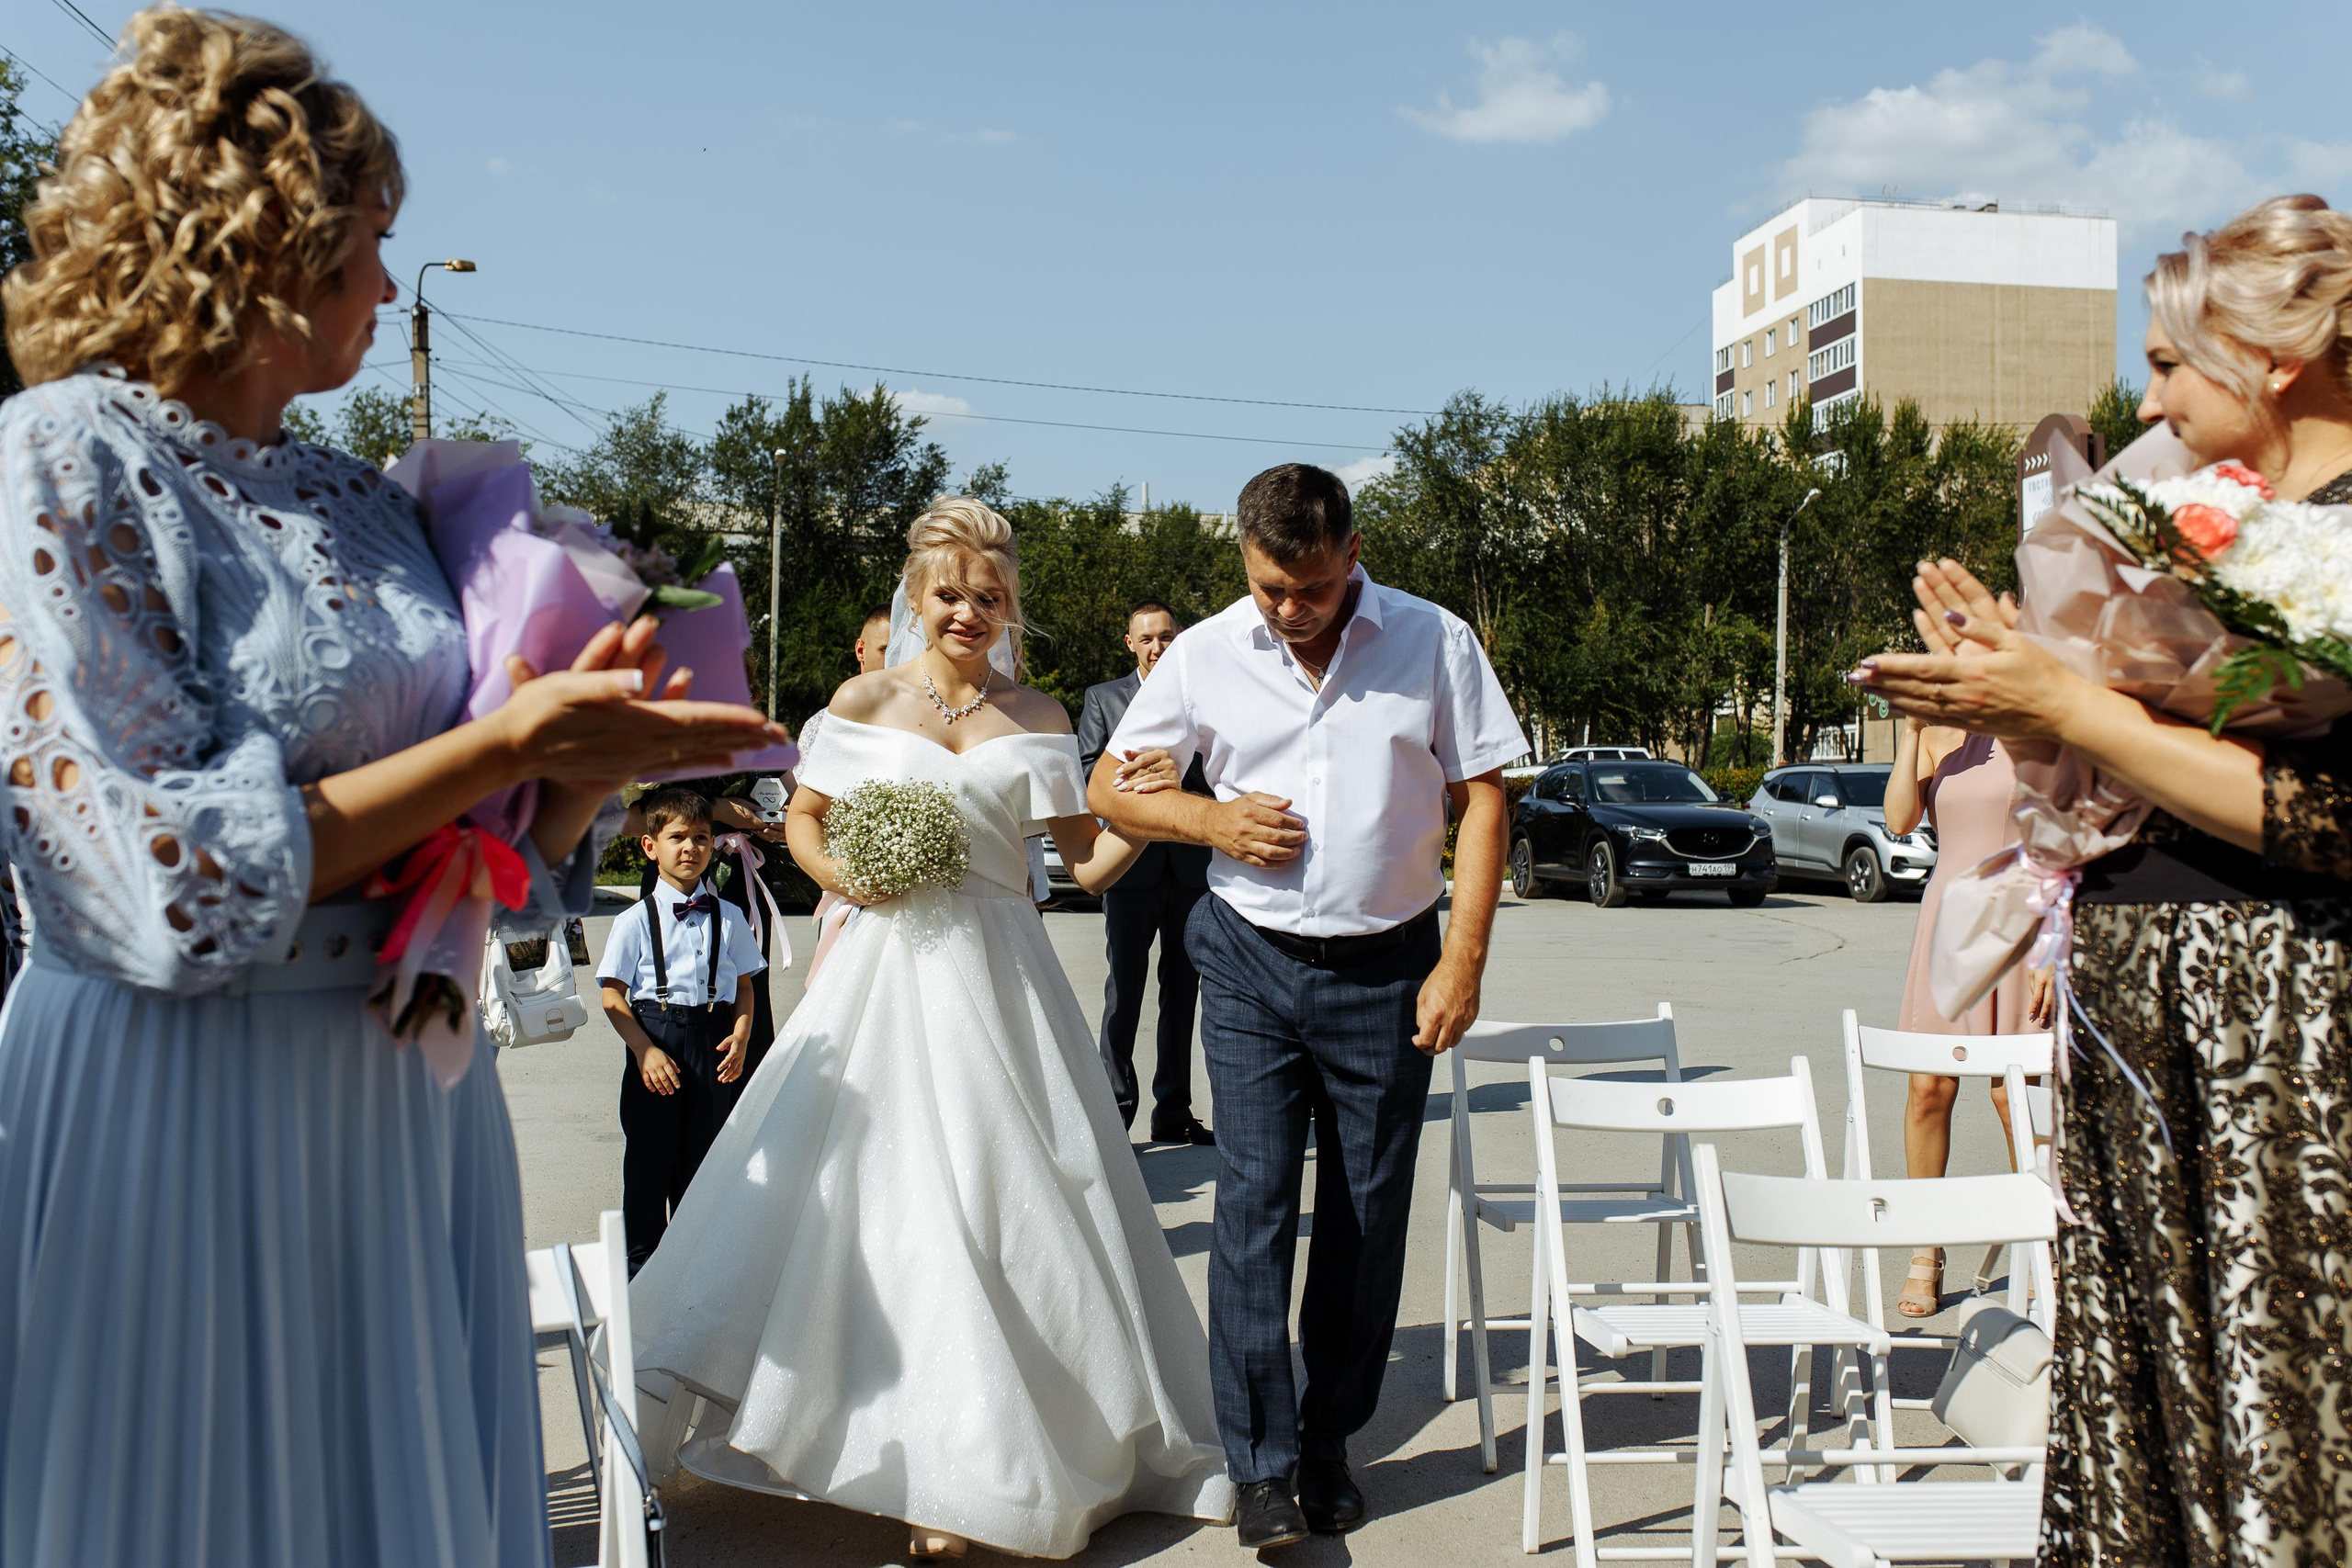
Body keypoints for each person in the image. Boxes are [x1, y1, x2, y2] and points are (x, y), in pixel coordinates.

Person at [0, 11, 782, 1564]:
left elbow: (487, 843)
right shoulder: (63, 458)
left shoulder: (363, 494)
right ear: (257, 244)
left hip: (403, 1090)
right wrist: (506, 745)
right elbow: (168, 886)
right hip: (185, 1092)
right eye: (367, 246)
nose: (378, 282)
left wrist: (578, 773)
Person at [1856, 194, 2352, 1566]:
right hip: (2149, 1032)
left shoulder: (2339, 546)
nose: (2149, 398)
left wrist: (2075, 709)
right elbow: (2149, 769)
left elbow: (2328, 812)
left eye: (2169, 364)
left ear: (2278, 360)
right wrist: (2019, 690)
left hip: (2285, 1053)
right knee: (2153, 1403)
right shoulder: (2218, 535)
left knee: (2276, 1417)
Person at [628, 499, 1230, 1562]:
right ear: (915, 597)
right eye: (948, 593)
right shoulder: (865, 700)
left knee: (1010, 1207)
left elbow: (1081, 866)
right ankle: (902, 1458)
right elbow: (804, 820)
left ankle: (974, 1475)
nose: (968, 612)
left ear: (1008, 609)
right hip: (885, 980)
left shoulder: (1040, 717)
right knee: (885, 1210)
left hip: (1004, 982)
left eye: (988, 597)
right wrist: (846, 873)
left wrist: (1146, 815)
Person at [1091, 463, 1524, 1548]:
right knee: (1253, 1208)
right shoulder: (1202, 653)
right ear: (1244, 563)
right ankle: (1263, 1467)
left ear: (1351, 551)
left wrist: (1460, 960)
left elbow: (1482, 802)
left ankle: (1330, 1439)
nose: (1290, 611)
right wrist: (1211, 823)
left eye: (1313, 589)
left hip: (1389, 967)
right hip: (1245, 963)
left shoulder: (1433, 641)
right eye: (1269, 588)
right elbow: (1110, 788)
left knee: (1369, 1216)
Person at [1881, 691, 2053, 1316]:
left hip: (2020, 924)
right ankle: (1925, 1251)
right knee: (1929, 1088)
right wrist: (1913, 733)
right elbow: (1900, 819)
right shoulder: (1933, 736)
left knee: (2018, 1096)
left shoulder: (2029, 721)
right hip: (1948, 923)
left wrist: (2055, 948)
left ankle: (2046, 1249)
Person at [600, 787, 766, 1274]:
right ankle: (640, 1271)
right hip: (655, 1035)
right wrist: (643, 1051)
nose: (689, 847)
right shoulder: (634, 920)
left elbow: (744, 986)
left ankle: (696, 1270)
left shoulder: (730, 916)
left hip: (711, 1038)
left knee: (704, 1161)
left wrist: (740, 1036)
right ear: (650, 846)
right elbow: (612, 995)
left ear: (714, 844)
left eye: (700, 837)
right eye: (677, 837)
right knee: (650, 1161)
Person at [1078, 601, 1215, 1145]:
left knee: (1183, 993)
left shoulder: (1203, 696)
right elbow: (1090, 772)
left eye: (1166, 637)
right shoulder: (1103, 699)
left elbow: (1219, 772)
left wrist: (1177, 783)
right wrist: (1147, 788)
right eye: (1147, 639)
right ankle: (1115, 1112)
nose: (1158, 646)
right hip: (1128, 870)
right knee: (1125, 992)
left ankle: (1173, 1111)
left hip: (1189, 867)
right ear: (1130, 643)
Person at [798, 604, 893, 982]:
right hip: (845, 892)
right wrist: (835, 874)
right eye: (886, 648)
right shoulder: (824, 725)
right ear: (861, 650)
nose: (896, 658)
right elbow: (807, 812)